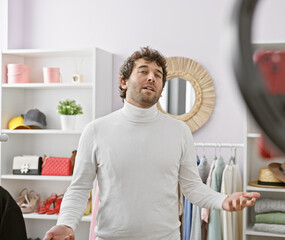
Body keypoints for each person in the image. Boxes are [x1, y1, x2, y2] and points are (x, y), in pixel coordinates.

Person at [43, 46, 260, 240]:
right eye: (143, 71)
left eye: (158, 75)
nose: (151, 78)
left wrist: (223, 200)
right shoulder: (96, 130)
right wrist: (65, 224)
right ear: (124, 81)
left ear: (161, 87)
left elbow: (192, 188)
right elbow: (80, 188)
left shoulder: (179, 131)